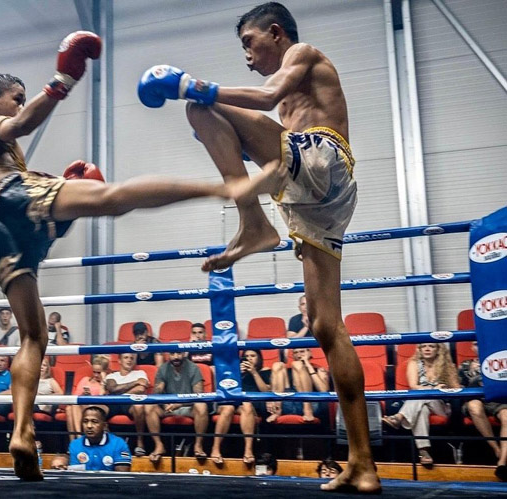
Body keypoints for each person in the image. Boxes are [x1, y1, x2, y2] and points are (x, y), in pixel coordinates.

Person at [0, 31, 234, 480]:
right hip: (13, 203)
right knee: (112, 197)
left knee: (34, 337)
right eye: (15, 97)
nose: (19, 103)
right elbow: (22, 125)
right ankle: (221, 186)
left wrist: (54, 183)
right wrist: (63, 80)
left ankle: (22, 431)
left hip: (0, 235)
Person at [137, 2, 380, 491]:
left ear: (275, 32)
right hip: (313, 199)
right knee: (324, 325)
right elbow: (264, 112)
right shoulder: (297, 87)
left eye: (249, 43)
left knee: (199, 107)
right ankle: (364, 465)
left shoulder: (305, 54)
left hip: (320, 160)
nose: (247, 55)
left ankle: (253, 224)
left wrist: (190, 84)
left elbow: (266, 99)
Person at [382, 343, 460, 467]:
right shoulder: (414, 363)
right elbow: (413, 386)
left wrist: (443, 389)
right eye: (423, 346)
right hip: (421, 403)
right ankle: (424, 451)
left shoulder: (447, 366)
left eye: (431, 346)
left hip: (441, 405)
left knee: (420, 395)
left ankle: (399, 417)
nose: (427, 349)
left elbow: (457, 388)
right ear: (419, 349)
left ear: (438, 349)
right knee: (422, 409)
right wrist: (434, 388)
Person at [145, 351, 208, 463]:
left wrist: (179, 403)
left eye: (178, 353)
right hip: (168, 406)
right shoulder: (163, 368)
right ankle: (159, 445)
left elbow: (199, 394)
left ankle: (198, 446)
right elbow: (157, 392)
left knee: (202, 406)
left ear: (184, 354)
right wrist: (163, 397)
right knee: (149, 407)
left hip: (188, 406)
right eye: (173, 354)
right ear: (168, 355)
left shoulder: (193, 368)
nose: (176, 357)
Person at [458, 341, 507, 480]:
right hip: (474, 400)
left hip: (499, 400)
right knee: (474, 406)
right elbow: (458, 387)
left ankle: (502, 463)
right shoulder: (465, 365)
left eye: (481, 343)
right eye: (476, 344)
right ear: (472, 348)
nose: (479, 347)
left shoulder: (502, 361)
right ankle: (497, 450)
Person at [211, 349, 268, 465]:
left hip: (251, 404)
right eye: (246, 356)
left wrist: (254, 373)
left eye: (253, 356)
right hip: (231, 401)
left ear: (259, 358)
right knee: (228, 408)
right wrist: (236, 374)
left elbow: (265, 391)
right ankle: (215, 449)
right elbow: (223, 388)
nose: (250, 358)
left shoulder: (265, 372)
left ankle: (248, 450)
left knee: (246, 405)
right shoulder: (233, 370)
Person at [50, 406, 132, 472]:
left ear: (104, 426)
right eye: (85, 421)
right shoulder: (75, 444)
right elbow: (75, 475)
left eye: (94, 421)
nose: (89, 426)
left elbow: (122, 477)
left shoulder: (119, 444)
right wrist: (62, 460)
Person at [103, 353, 149, 456]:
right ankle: (104, 442)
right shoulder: (112, 375)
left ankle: (140, 443)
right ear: (119, 360)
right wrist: (134, 383)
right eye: (126, 358)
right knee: (96, 409)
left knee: (139, 406)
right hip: (113, 402)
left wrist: (120, 392)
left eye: (132, 358)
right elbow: (112, 388)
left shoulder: (140, 373)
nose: (129, 360)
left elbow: (141, 389)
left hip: (130, 402)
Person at [268, 347, 329, 422]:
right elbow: (272, 387)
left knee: (297, 364)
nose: (299, 355)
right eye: (295, 353)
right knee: (277, 365)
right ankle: (276, 411)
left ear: (310, 353)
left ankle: (307, 409)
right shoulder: (288, 370)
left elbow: (324, 390)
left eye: (302, 351)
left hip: (312, 404)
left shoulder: (319, 369)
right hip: (287, 402)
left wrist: (308, 365)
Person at [67, 358, 108, 440]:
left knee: (73, 407)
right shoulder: (85, 380)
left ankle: (78, 440)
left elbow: (102, 396)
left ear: (104, 372)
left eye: (99, 372)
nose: (96, 375)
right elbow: (75, 397)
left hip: (100, 406)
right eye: (94, 372)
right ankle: (73, 441)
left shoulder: (107, 382)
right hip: (83, 406)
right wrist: (84, 394)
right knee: (69, 408)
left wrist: (104, 380)